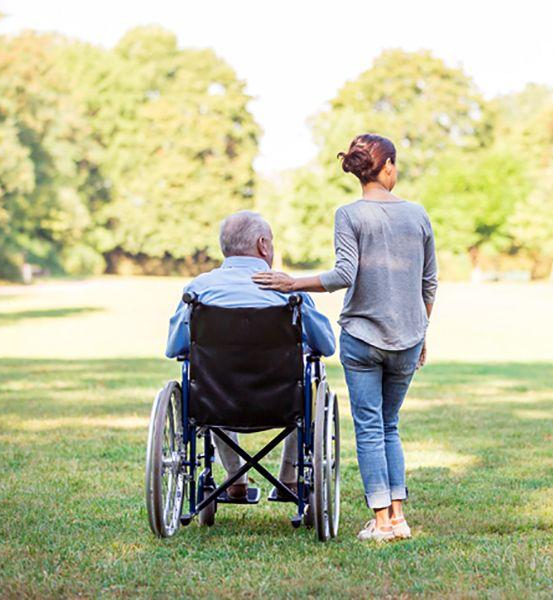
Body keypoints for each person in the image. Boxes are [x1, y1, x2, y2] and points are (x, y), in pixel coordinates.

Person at [253, 133, 437, 542]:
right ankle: (399, 516)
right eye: (396, 164)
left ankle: (382, 522)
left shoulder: (349, 215)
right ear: (386, 166)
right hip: (408, 337)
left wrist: (292, 282)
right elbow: (429, 284)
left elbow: (343, 275)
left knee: (370, 427)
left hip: (362, 337)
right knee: (390, 425)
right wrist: (421, 333)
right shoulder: (419, 215)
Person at [165, 210, 336, 501]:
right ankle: (290, 479)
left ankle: (235, 481)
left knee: (211, 379)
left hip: (216, 403)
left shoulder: (199, 291)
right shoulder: (288, 292)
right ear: (263, 245)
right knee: (308, 380)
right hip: (282, 402)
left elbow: (175, 349)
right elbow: (327, 346)